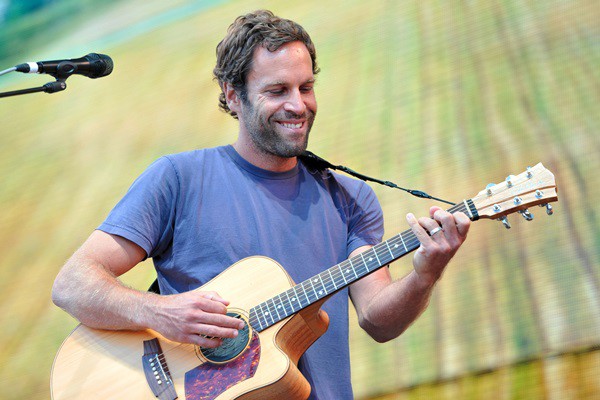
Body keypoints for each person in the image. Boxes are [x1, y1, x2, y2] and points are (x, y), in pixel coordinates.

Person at [52, 9, 470, 400]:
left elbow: (379, 320)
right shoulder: (178, 179)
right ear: (233, 96)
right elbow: (72, 284)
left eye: (306, 87)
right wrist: (162, 312)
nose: (298, 105)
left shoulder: (349, 198)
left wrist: (426, 272)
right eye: (277, 90)